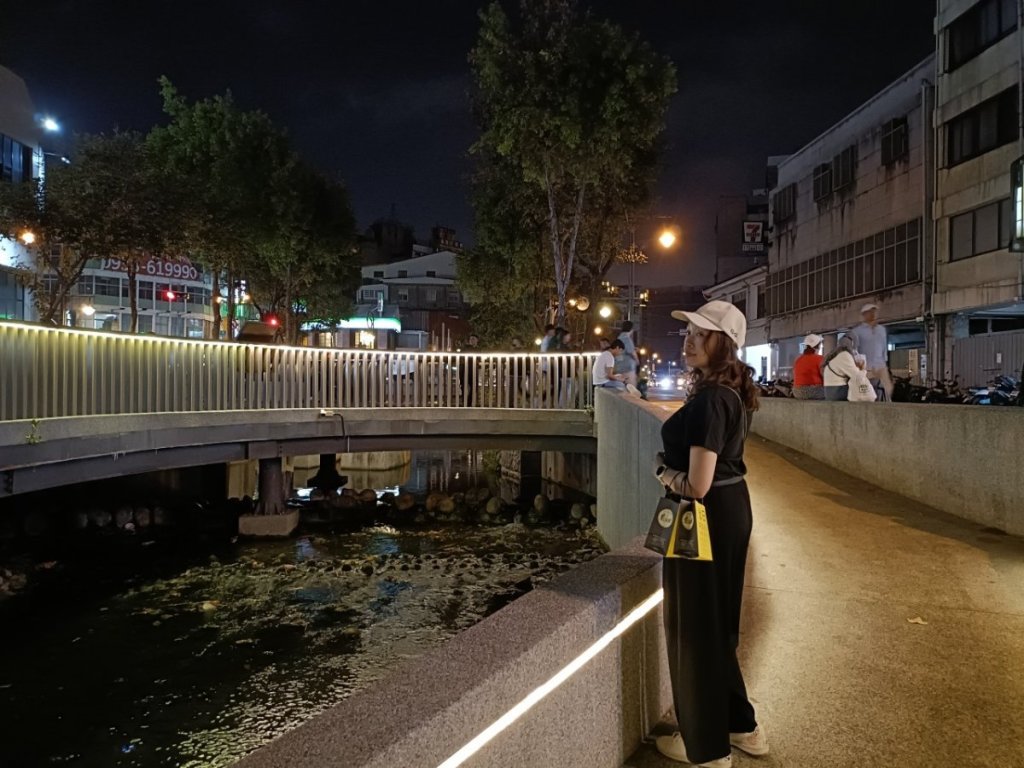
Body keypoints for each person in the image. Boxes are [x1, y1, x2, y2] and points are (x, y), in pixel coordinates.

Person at [652, 300, 767, 767]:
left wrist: (663, 473)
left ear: (723, 344)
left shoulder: (709, 401)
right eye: (688, 332)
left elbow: (696, 483)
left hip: (706, 515)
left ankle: (707, 749)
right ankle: (742, 726)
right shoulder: (730, 393)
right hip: (731, 508)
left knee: (695, 626)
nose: (689, 339)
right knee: (716, 625)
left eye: (700, 333)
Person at [850, 303, 892, 401]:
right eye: (870, 312)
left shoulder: (881, 330)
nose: (873, 314)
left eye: (874, 312)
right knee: (868, 393)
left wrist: (885, 364)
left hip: (881, 367)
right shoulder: (857, 331)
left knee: (887, 391)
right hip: (866, 368)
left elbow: (884, 348)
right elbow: (855, 350)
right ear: (864, 315)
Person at [821, 333, 860, 401]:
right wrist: (861, 367)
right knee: (862, 389)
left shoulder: (835, 354)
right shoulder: (844, 355)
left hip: (829, 392)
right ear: (852, 344)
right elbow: (856, 375)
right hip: (836, 392)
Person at [792, 333, 825, 400]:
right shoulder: (820, 359)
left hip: (797, 392)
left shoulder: (798, 359)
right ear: (817, 346)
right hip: (814, 392)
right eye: (820, 344)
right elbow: (825, 375)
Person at [615, 320, 639, 386]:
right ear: (631, 329)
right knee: (631, 388)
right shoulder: (627, 338)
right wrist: (637, 361)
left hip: (618, 366)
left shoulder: (619, 338)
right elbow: (632, 352)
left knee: (622, 388)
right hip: (628, 367)